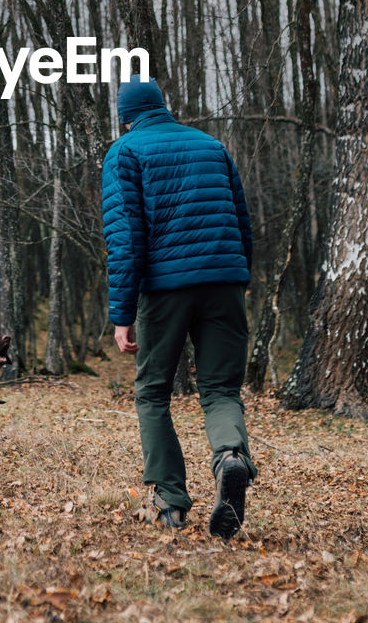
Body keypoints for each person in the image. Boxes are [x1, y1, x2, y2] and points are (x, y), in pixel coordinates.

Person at [102, 75, 256, 538]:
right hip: (225, 281)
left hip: (166, 289)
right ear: (163, 107)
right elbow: (242, 220)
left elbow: (125, 239)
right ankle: (231, 456)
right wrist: (238, 277)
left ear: (125, 118)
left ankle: (170, 500)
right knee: (221, 390)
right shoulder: (212, 146)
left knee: (152, 392)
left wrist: (122, 314)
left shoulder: (125, 153)